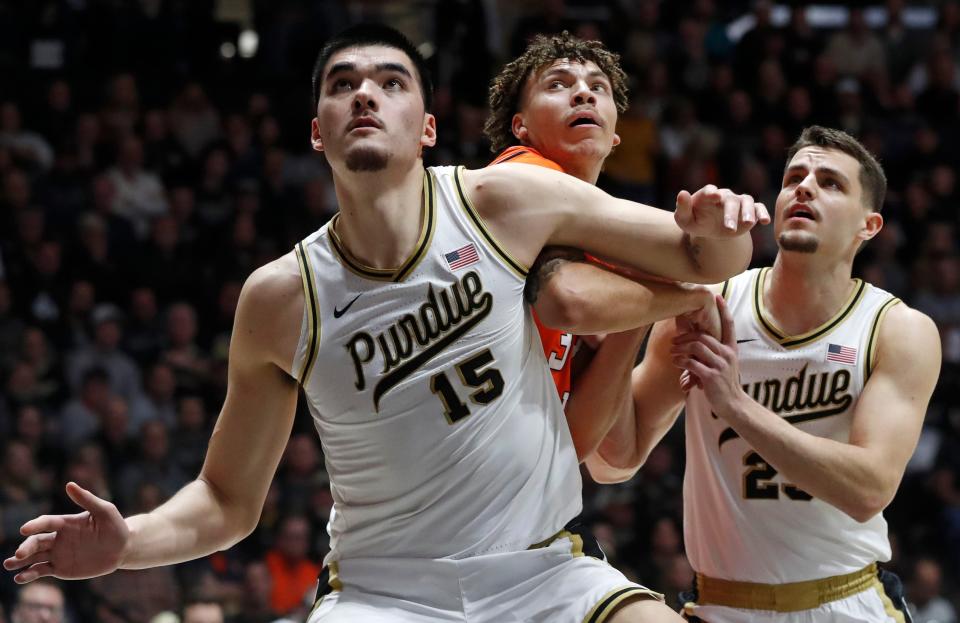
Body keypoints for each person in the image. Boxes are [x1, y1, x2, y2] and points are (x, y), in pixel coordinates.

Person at [4, 24, 764, 623]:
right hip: (383, 595)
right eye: (344, 85)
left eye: (390, 82)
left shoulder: (504, 202)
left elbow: (709, 253)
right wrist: (130, 542)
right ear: (317, 131)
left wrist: (726, 221)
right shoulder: (280, 298)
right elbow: (228, 502)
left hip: (542, 569)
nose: (366, 95)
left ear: (428, 127)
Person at [595, 126, 941, 622]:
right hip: (721, 606)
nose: (804, 187)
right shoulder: (707, 305)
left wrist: (736, 405)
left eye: (831, 183)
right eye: (794, 177)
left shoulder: (898, 329)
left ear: (870, 226)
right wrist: (635, 309)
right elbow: (614, 461)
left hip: (847, 603)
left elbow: (868, 490)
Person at [484, 31, 734, 472]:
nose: (582, 92)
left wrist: (635, 305)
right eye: (557, 84)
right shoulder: (521, 171)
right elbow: (573, 301)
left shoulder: (594, 245)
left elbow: (598, 447)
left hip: (515, 491)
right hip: (460, 485)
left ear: (614, 135)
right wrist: (685, 298)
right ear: (520, 126)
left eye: (597, 87)